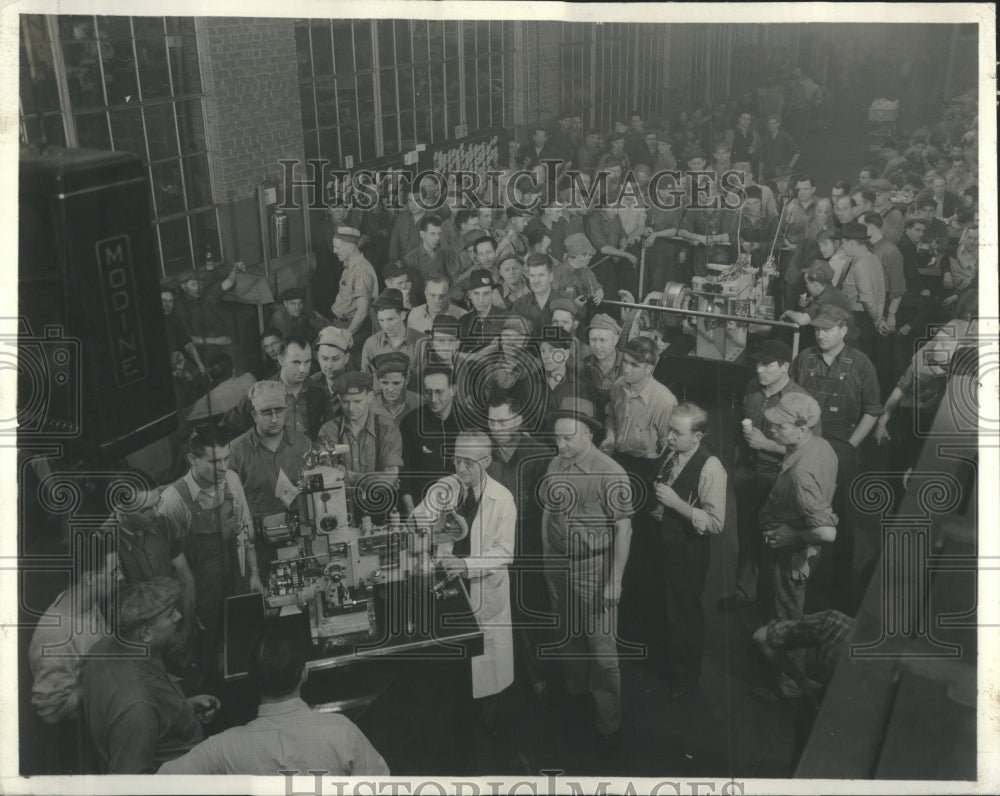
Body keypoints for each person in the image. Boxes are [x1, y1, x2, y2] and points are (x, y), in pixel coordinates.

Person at [159, 629, 388, 775]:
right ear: (304, 673)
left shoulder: (223, 747)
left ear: (252, 680)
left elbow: (159, 784)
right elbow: (381, 786)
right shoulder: (341, 731)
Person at [541, 397, 633, 754]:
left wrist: (615, 580)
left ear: (588, 434)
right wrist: (545, 558)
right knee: (567, 637)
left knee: (601, 650)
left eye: (566, 439)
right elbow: (549, 511)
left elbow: (624, 530)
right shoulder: (555, 462)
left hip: (594, 567)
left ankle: (609, 722)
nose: (559, 445)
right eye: (556, 439)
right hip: (557, 564)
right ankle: (576, 696)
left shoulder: (610, 472)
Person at [790, 305, 882, 614]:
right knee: (802, 507)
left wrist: (852, 444)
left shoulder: (861, 364)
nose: (821, 334)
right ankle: (802, 577)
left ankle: (841, 587)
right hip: (806, 444)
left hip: (843, 447)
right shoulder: (804, 359)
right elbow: (790, 399)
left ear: (844, 330)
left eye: (828, 329)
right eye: (817, 329)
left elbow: (872, 409)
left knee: (841, 515)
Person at [417, 432, 516, 710]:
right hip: (449, 587)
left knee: (488, 665)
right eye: (456, 460)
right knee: (454, 662)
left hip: (483, 589)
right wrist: (436, 498)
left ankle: (489, 719)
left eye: (469, 462)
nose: (460, 468)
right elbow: (416, 524)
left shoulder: (503, 499)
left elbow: (505, 552)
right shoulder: (446, 488)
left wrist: (466, 565)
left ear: (486, 461)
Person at [718, 340, 817, 612]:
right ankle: (744, 593)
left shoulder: (801, 400)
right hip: (748, 474)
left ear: (785, 366)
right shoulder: (752, 389)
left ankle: (772, 607)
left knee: (776, 543)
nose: (759, 370)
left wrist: (768, 445)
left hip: (777, 478)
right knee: (747, 536)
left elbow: (809, 449)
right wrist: (738, 464)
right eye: (757, 364)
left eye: (766, 365)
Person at [82, 578, 219, 773]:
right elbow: (133, 783)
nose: (179, 616)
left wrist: (182, 710)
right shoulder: (138, 707)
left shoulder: (109, 648)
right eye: (170, 615)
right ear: (146, 634)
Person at [157, 426, 259, 685]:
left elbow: (246, 531)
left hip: (236, 581)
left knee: (244, 650)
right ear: (192, 459)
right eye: (214, 461)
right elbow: (171, 571)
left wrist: (255, 574)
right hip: (199, 596)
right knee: (207, 661)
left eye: (226, 458)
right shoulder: (173, 503)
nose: (223, 467)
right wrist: (188, 617)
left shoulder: (232, 481)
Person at [757, 393, 838, 698]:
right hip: (803, 548)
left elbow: (827, 532)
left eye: (779, 426)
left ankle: (789, 687)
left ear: (802, 429)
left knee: (787, 616)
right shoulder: (821, 446)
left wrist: (795, 536)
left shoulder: (802, 474)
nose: (772, 430)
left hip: (792, 554)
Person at [648, 403, 727, 699]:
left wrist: (677, 504)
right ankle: (662, 661)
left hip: (687, 552)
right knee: (659, 603)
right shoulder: (671, 452)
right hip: (659, 541)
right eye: (669, 429)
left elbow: (717, 523)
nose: (669, 437)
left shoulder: (711, 468)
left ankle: (685, 678)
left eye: (676, 433)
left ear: (697, 437)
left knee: (683, 612)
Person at [486, 392, 556, 701]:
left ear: (519, 420)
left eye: (502, 421)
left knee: (529, 609)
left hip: (527, 542)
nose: (496, 428)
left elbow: (548, 510)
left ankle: (538, 674)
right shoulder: (483, 452)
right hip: (492, 542)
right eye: (491, 421)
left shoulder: (539, 455)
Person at [30, 529, 120, 727]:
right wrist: (97, 682)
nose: (120, 577)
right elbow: (50, 712)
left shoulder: (89, 603)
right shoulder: (55, 638)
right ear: (89, 579)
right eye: (113, 572)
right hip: (82, 735)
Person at [600, 336, 677, 496]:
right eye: (625, 361)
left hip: (645, 468)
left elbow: (669, 447)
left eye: (634, 365)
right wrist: (610, 435)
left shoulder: (664, 401)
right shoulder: (618, 385)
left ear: (649, 369)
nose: (626, 369)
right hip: (616, 459)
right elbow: (611, 415)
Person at [228, 380, 312, 520]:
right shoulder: (237, 452)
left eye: (279, 412)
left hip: (300, 527)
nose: (274, 419)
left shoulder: (303, 443)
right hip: (258, 532)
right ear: (254, 415)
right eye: (266, 413)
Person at [220, 337, 329, 441]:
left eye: (307, 361)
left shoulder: (319, 392)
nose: (303, 369)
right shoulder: (261, 391)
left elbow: (329, 429)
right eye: (296, 362)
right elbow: (226, 427)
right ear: (281, 360)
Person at [316, 372, 403, 502]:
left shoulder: (387, 428)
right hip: (340, 506)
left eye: (357, 401)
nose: (351, 408)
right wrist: (372, 478)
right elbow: (324, 476)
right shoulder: (328, 430)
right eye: (346, 402)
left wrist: (345, 475)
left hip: (378, 505)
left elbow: (390, 478)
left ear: (370, 397)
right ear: (339, 399)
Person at [399, 366, 465, 515]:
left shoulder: (469, 422)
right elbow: (405, 472)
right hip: (421, 507)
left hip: (461, 508)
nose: (433, 399)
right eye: (428, 392)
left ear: (453, 389)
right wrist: (411, 511)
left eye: (439, 392)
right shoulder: (411, 423)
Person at [837, 221, 886, 361]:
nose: (842, 246)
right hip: (871, 319)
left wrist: (875, 320)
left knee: (853, 363)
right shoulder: (874, 258)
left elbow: (868, 302)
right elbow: (881, 294)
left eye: (844, 243)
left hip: (860, 321)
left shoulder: (859, 266)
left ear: (852, 243)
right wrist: (878, 318)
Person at [360, 289, 426, 388]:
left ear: (403, 315)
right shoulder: (371, 343)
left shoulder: (423, 341)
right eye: (381, 320)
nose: (386, 326)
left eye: (391, 319)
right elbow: (365, 380)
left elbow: (430, 380)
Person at [329, 226, 378, 339]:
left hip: (352, 328)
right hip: (341, 324)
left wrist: (346, 336)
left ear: (350, 247)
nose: (334, 251)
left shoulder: (361, 271)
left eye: (337, 247)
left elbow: (362, 312)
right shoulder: (349, 265)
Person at [309, 325, 354, 424]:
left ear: (346, 358)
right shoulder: (310, 385)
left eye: (335, 359)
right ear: (317, 357)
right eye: (324, 359)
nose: (329, 365)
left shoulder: (357, 385)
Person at [512, 253, 557, 336]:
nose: (536, 281)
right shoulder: (519, 305)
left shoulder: (564, 300)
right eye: (532, 276)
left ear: (550, 277)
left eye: (541, 275)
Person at [371, 351, 422, 423]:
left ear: (407, 380)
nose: (390, 389)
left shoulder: (420, 403)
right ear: (378, 381)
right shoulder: (368, 405)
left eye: (396, 383)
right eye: (385, 383)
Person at [760, 115, 799, 183]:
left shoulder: (785, 137)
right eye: (770, 123)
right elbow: (762, 158)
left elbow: (796, 153)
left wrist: (789, 167)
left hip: (781, 171)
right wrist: (760, 174)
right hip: (768, 171)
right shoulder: (766, 138)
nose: (772, 126)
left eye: (774, 123)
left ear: (778, 124)